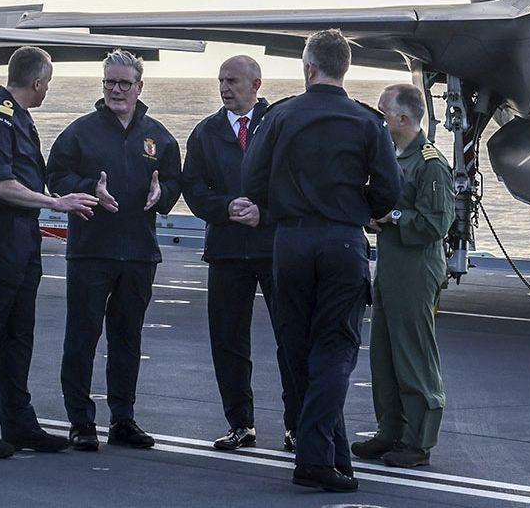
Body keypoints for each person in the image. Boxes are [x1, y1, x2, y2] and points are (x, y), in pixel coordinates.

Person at [240, 29, 402, 494]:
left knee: (298, 348)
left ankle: (331, 453)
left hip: (290, 241)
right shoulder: (367, 122)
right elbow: (389, 190)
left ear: (308, 68)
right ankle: (317, 456)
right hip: (342, 241)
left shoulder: (280, 115)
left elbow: (252, 179)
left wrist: (286, 200)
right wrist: (356, 203)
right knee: (335, 348)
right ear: (344, 69)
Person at [0, 46, 96, 459]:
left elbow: (26, 180)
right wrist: (55, 204)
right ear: (37, 83)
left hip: (21, 238)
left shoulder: (16, 117)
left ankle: (19, 422)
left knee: (17, 337)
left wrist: (65, 195)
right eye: (47, 83)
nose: (47, 90)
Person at [48, 49, 183, 451]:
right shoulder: (80, 132)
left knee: (127, 341)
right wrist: (91, 189)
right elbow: (54, 176)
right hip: (92, 252)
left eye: (125, 83)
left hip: (140, 254)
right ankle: (81, 422)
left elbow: (175, 183)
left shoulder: (158, 136)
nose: (116, 90)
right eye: (110, 82)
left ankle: (123, 420)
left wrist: (163, 194)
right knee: (82, 338)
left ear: (140, 87)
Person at [181, 55, 295, 451]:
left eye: (232, 80)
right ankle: (240, 423)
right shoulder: (206, 132)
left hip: (273, 247)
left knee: (291, 337)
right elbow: (193, 188)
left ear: (256, 84)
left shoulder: (278, 126)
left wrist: (263, 212)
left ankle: (295, 426)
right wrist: (226, 208)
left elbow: (295, 182)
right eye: (221, 80)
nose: (225, 87)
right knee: (228, 341)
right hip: (227, 249)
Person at [351, 83, 454, 469]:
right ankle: (390, 431)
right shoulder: (396, 158)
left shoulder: (429, 163)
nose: (380, 119)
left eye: (384, 112)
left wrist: (392, 218)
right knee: (384, 354)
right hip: (392, 267)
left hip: (415, 269)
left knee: (414, 355)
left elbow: (437, 222)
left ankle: (418, 439)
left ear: (404, 118)